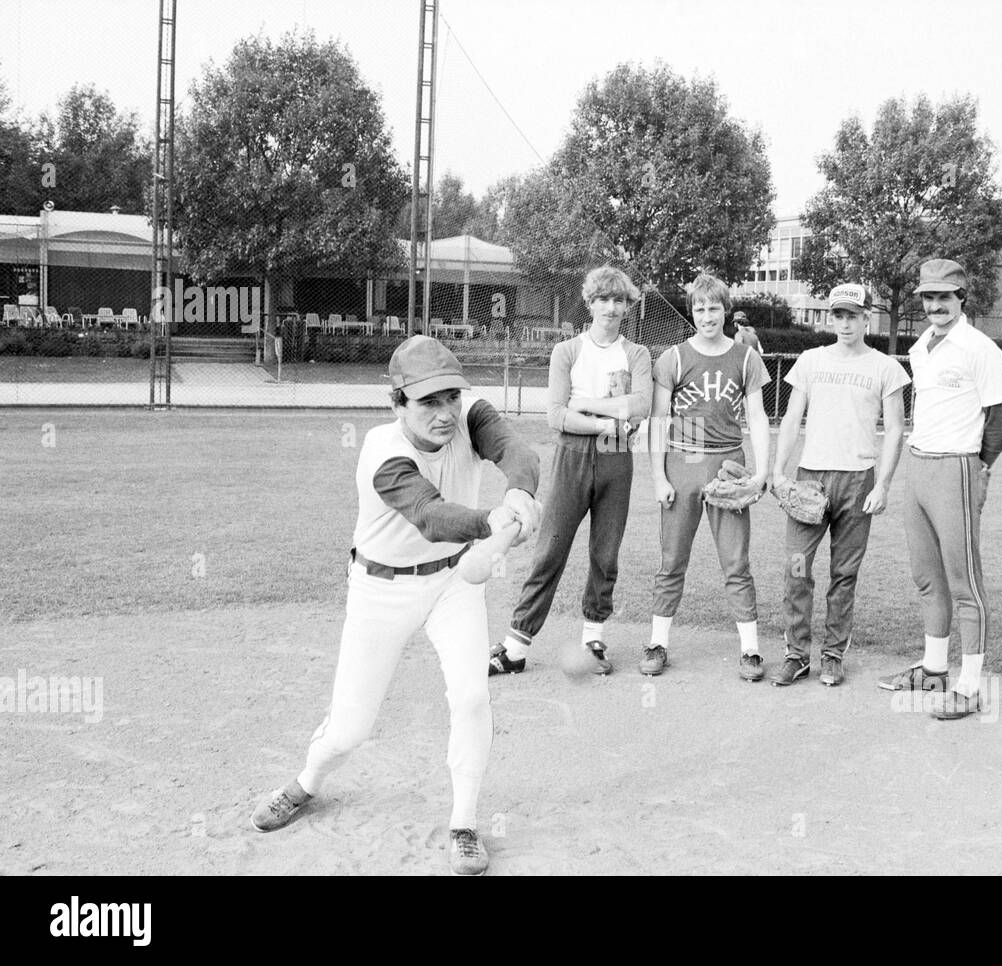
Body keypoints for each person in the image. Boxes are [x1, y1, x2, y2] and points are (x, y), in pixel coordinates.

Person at [250, 335, 542, 876]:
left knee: (473, 697)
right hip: (380, 590)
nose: (445, 412)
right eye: (428, 401)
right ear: (398, 403)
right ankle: (305, 784)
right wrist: (494, 522)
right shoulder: (383, 452)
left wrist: (521, 493)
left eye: (450, 397)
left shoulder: (470, 415)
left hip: (454, 583)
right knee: (350, 728)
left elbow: (519, 453)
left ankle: (464, 823)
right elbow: (432, 518)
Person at [489, 266, 652, 676]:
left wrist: (587, 406)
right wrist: (602, 421)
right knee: (550, 550)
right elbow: (556, 416)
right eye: (603, 299)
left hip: (616, 460)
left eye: (619, 300)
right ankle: (515, 647)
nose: (611, 308)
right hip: (573, 456)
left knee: (605, 552)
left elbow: (642, 406)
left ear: (627, 305)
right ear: (589, 302)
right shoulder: (568, 351)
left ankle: (593, 638)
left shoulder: (636, 354)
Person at [877, 259, 1002, 720]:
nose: (935, 305)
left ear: (961, 299)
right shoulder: (920, 346)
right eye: (928, 297)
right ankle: (934, 668)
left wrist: (981, 469)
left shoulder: (980, 348)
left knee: (964, 582)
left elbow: (1000, 417)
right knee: (926, 576)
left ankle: (971, 686)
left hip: (956, 466)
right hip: (919, 462)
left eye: (944, 297)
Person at [770, 282, 909, 687]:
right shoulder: (811, 361)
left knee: (844, 574)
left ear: (867, 317)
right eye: (838, 315)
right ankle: (796, 655)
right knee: (797, 568)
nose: (845, 323)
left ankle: (832, 655)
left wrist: (882, 484)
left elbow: (896, 430)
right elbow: (792, 418)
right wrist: (780, 472)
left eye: (853, 315)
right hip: (811, 478)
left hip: (857, 480)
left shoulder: (885, 367)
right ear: (830, 318)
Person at [647, 272, 771, 680]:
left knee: (736, 562)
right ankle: (658, 642)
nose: (707, 315)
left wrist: (762, 472)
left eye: (714, 307)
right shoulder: (675, 357)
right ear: (692, 312)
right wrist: (659, 477)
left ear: (725, 309)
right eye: (699, 308)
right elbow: (659, 420)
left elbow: (756, 415)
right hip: (684, 461)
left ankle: (750, 651)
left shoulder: (745, 356)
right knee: (672, 560)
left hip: (728, 463)